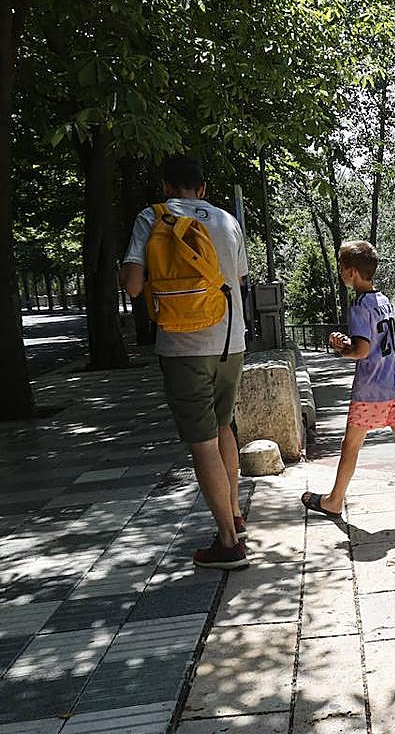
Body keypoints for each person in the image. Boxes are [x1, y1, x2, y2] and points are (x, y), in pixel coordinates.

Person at [121, 155, 250, 570]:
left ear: (165, 187)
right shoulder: (228, 221)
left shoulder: (151, 218)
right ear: (203, 188)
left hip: (182, 346)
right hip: (231, 341)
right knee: (223, 424)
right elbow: (240, 278)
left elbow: (134, 286)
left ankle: (228, 544)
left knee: (202, 443)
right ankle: (234, 515)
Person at [301, 240, 395, 529]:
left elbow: (362, 350)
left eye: (343, 269)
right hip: (394, 385)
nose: (342, 273)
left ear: (353, 272)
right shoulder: (384, 301)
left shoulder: (359, 305)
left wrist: (341, 348)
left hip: (370, 390)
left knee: (351, 446)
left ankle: (334, 501)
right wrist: (351, 344)